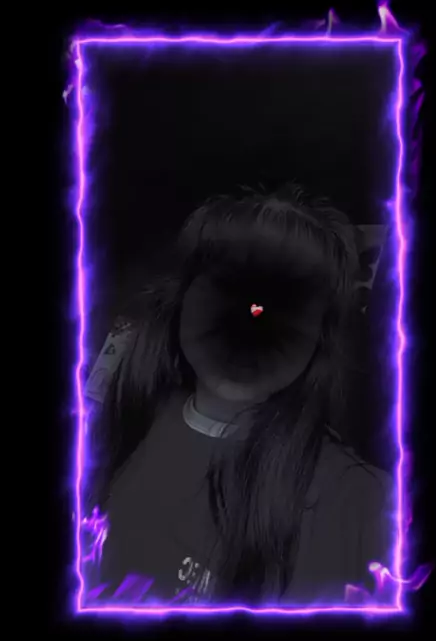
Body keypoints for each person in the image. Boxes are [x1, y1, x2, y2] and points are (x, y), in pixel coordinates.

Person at [83, 185, 394, 607]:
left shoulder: (366, 506)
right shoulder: (116, 431)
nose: (254, 312)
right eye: (231, 284)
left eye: (288, 298)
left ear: (316, 337)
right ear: (184, 301)